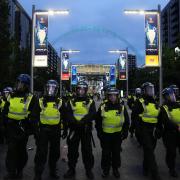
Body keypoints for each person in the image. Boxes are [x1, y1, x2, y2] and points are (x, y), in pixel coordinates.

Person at [2, 74, 37, 179]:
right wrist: (3, 125)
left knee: (21, 151)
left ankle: (20, 170)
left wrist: (31, 130)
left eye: (21, 84)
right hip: (11, 127)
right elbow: (4, 112)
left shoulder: (31, 98)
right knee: (11, 151)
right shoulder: (11, 96)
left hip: (23, 129)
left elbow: (34, 116)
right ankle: (11, 172)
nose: (18, 85)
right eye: (18, 83)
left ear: (26, 86)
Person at [33, 80, 66, 180]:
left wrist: (65, 129)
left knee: (55, 152)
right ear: (46, 89)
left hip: (55, 131)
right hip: (43, 130)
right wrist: (36, 130)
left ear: (56, 90)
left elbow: (64, 116)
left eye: (53, 88)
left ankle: (52, 170)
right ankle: (38, 173)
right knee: (41, 153)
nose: (50, 90)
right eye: (49, 88)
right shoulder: (40, 101)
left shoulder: (60, 102)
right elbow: (34, 116)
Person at [63, 81, 96, 179]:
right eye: (79, 89)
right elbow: (67, 114)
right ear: (76, 90)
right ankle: (71, 169)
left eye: (83, 90)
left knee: (87, 152)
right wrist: (75, 122)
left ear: (85, 91)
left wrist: (82, 122)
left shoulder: (90, 101)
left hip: (85, 130)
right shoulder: (70, 101)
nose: (81, 91)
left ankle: (88, 170)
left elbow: (92, 114)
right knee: (72, 151)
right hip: (74, 130)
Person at [95, 87, 129, 178]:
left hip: (117, 135)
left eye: (115, 95)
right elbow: (98, 121)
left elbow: (126, 121)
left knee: (116, 153)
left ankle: (115, 169)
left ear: (117, 96)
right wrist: (99, 132)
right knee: (106, 153)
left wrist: (125, 132)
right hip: (105, 135)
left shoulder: (121, 107)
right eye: (111, 95)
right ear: (108, 96)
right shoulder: (102, 106)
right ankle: (105, 169)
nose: (113, 97)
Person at [131, 82, 161, 180]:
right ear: (143, 91)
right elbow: (135, 117)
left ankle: (145, 168)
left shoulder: (155, 102)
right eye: (149, 89)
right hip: (143, 129)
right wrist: (138, 131)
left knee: (150, 150)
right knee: (149, 150)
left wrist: (159, 129)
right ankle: (155, 173)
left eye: (152, 89)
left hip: (153, 130)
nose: (151, 91)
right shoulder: (140, 102)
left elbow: (159, 117)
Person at [157, 88, 180, 178]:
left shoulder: (178, 104)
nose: (173, 96)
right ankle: (172, 169)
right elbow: (166, 122)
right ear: (166, 97)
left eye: (173, 94)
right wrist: (177, 126)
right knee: (172, 152)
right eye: (170, 95)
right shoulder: (164, 108)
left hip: (178, 132)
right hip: (170, 134)